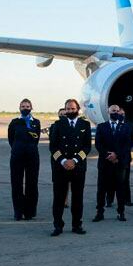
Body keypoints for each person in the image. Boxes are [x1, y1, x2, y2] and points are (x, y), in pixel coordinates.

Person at [49, 99, 91, 236]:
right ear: (65, 110)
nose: (70, 111)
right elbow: (53, 147)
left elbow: (87, 147)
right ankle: (58, 225)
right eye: (68, 109)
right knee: (59, 198)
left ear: (77, 109)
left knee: (77, 198)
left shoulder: (85, 124)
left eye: (73, 109)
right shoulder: (58, 124)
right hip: (61, 168)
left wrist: (74, 160)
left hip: (78, 167)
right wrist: (63, 161)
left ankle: (77, 225)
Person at [93, 105, 133, 222]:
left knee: (120, 189)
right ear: (108, 112)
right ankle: (99, 212)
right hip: (105, 163)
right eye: (113, 111)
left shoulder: (126, 127)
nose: (115, 113)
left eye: (117, 111)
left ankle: (121, 212)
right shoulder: (101, 127)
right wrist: (108, 155)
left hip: (119, 163)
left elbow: (128, 145)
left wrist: (117, 155)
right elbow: (98, 144)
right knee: (101, 189)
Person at [7, 99, 41, 221]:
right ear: (19, 108)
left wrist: (29, 149)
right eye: (23, 106)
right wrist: (18, 149)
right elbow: (11, 139)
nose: (25, 108)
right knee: (16, 184)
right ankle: (18, 211)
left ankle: (30, 211)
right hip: (17, 156)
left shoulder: (36, 122)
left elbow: (36, 139)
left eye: (27, 106)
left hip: (32, 157)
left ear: (31, 107)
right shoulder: (14, 122)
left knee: (32, 184)